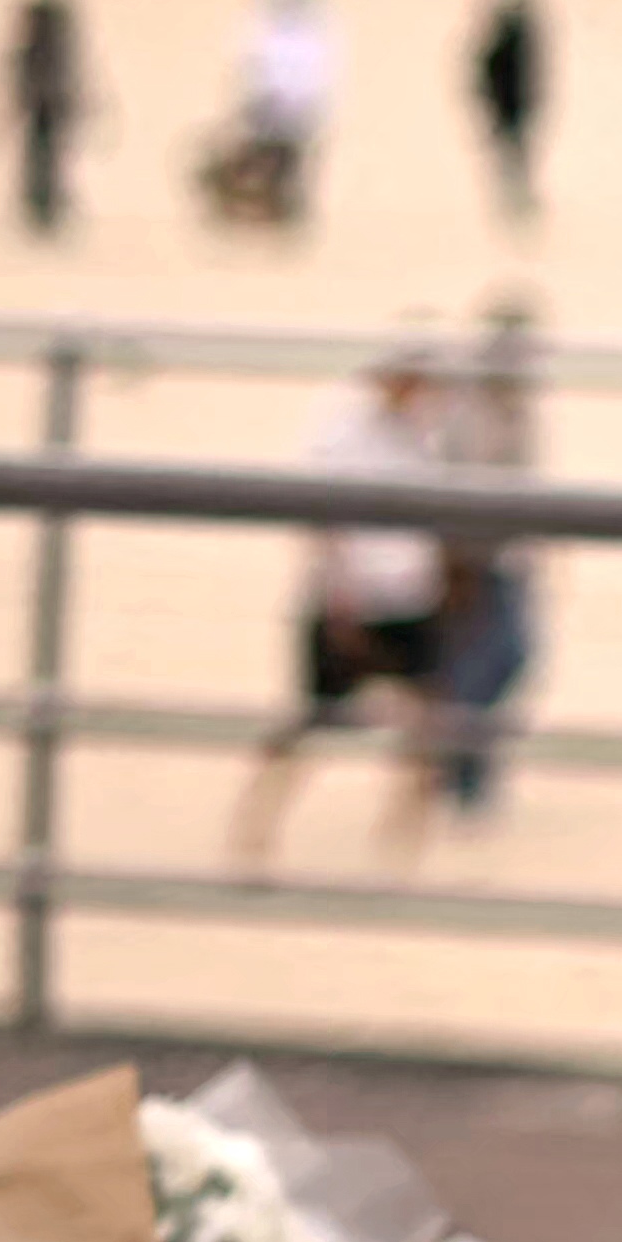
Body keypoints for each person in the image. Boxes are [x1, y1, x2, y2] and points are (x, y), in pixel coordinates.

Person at [228, 344, 455, 874]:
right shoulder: (343, 425)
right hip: (349, 598)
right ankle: (254, 832)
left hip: (409, 594)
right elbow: (322, 516)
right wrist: (339, 594)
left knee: (427, 722)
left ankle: (402, 850)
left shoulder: (428, 427)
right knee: (312, 720)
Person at [425, 292, 545, 813]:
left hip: (508, 555)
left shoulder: (517, 401)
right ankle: (462, 774)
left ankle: (467, 767)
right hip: (472, 561)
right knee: (488, 663)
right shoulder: (467, 409)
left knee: (510, 659)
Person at [207, 0, 337, 235]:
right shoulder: (289, 17)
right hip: (281, 109)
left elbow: (258, 65)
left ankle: (276, 218)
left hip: (283, 109)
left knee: (282, 170)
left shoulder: (303, 19)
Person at [0, 0, 90, 241]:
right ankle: (43, 208)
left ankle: (43, 208)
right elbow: (68, 72)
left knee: (43, 158)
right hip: (49, 104)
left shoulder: (40, 38)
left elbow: (26, 69)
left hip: (42, 105)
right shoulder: (56, 37)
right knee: (44, 158)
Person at [468, 0, 547, 229]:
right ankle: (515, 202)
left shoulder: (518, 37)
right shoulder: (513, 38)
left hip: (514, 106)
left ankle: (518, 201)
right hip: (512, 106)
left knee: (514, 157)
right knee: (513, 157)